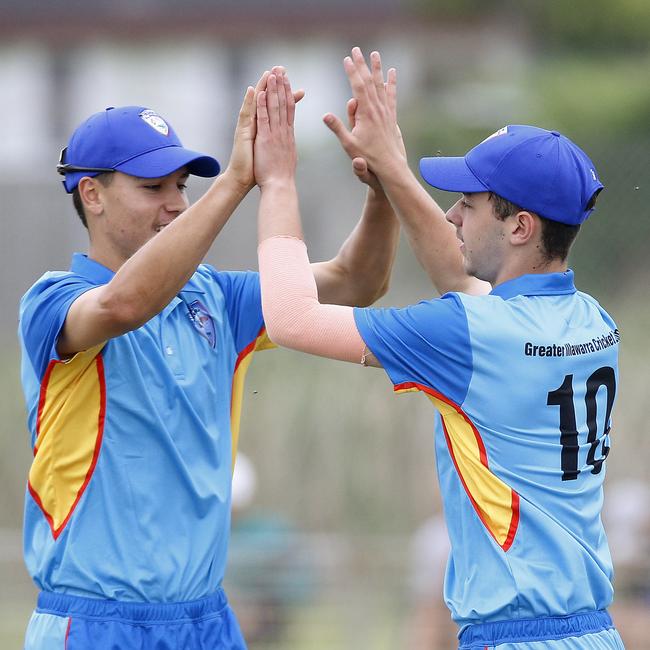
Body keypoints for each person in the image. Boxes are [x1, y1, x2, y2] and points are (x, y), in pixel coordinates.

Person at [17, 68, 400, 649]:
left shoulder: (216, 296)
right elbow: (124, 303)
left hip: (206, 622)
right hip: (95, 624)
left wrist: (384, 189)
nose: (175, 204)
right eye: (153, 188)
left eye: (182, 187)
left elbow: (357, 281)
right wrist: (237, 183)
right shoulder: (52, 302)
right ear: (90, 193)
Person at [254, 52, 625, 649]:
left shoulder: (468, 332)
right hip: (592, 633)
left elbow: (291, 319)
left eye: (469, 203)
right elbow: (462, 279)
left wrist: (274, 180)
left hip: (513, 637)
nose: (451, 213)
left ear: (520, 226)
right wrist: (392, 171)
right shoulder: (593, 320)